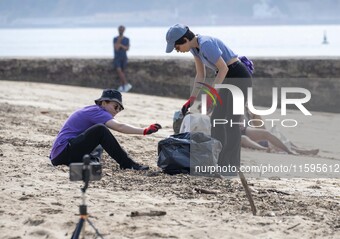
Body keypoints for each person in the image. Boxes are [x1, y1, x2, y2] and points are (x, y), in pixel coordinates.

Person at [165, 24, 252, 172]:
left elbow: (224, 68)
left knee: (230, 122)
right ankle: (218, 160)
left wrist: (212, 94)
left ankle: (231, 165)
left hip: (238, 76)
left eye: (177, 47)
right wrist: (191, 100)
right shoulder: (194, 48)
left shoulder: (206, 44)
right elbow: (201, 75)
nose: (177, 50)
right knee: (216, 120)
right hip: (226, 77)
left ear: (185, 39)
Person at [50, 89, 162, 170]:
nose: (117, 111)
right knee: (101, 130)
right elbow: (120, 127)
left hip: (61, 154)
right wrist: (145, 131)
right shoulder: (98, 111)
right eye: (115, 106)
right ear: (104, 103)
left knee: (99, 137)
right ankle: (127, 164)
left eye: (120, 109)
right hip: (63, 154)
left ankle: (92, 162)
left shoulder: (93, 111)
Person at [240, 108, 319, 155]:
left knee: (274, 131)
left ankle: (298, 149)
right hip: (245, 137)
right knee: (245, 137)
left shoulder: (248, 111)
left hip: (253, 136)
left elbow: (262, 129)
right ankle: (292, 150)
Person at [113, 25, 132, 92]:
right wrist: (119, 40)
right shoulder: (115, 39)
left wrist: (121, 45)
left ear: (124, 30)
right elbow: (116, 48)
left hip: (124, 57)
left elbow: (127, 48)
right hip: (117, 57)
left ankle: (122, 87)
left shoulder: (127, 39)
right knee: (119, 70)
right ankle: (126, 84)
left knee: (123, 72)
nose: (121, 31)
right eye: (120, 30)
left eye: (122, 30)